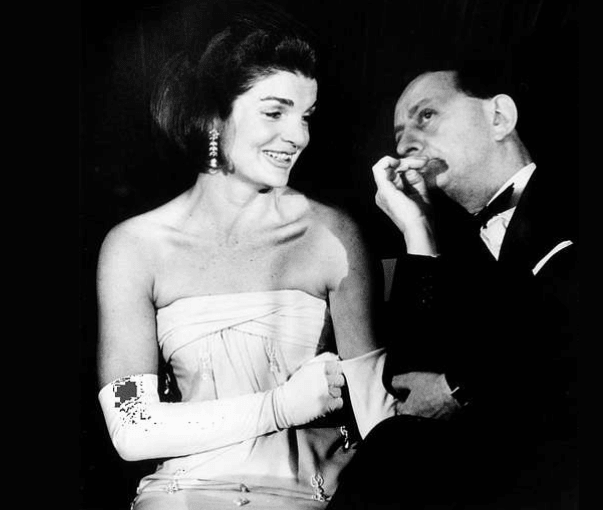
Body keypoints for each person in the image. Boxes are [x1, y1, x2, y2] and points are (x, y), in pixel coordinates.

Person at [95, 13, 397, 510]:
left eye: (306, 115)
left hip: (311, 498)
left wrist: (418, 233)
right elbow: (133, 428)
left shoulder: (332, 234)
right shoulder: (133, 246)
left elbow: (378, 414)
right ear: (215, 117)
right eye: (275, 112)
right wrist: (282, 406)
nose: (298, 135)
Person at [327, 61, 578, 509]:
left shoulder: (570, 198)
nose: (405, 143)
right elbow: (411, 385)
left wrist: (462, 387)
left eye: (426, 115)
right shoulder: (459, 251)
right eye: (398, 134)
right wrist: (417, 229)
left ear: (499, 117)